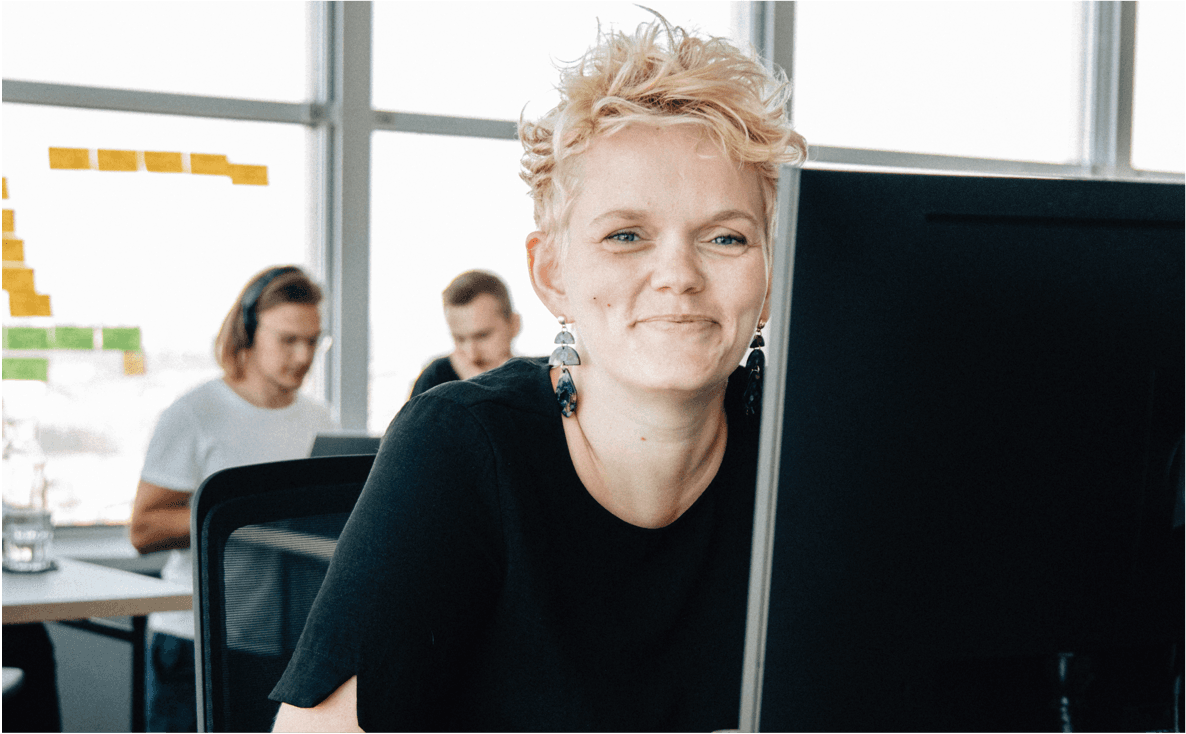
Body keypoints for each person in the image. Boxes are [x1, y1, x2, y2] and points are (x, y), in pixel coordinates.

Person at [272, 16, 805, 732]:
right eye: (626, 235)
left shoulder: (808, 454)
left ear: (773, 276)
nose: (678, 275)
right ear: (552, 273)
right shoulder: (461, 444)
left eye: (727, 237)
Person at [130, 265, 338, 732]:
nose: (303, 356)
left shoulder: (319, 418)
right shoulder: (194, 414)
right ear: (248, 332)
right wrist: (240, 517)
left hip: (285, 646)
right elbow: (143, 529)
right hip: (196, 641)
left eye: (313, 341)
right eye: (288, 340)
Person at [409, 269, 521, 398]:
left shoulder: (542, 377)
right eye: (459, 339)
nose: (472, 355)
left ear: (514, 324)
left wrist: (480, 384)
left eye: (482, 336)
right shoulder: (435, 378)